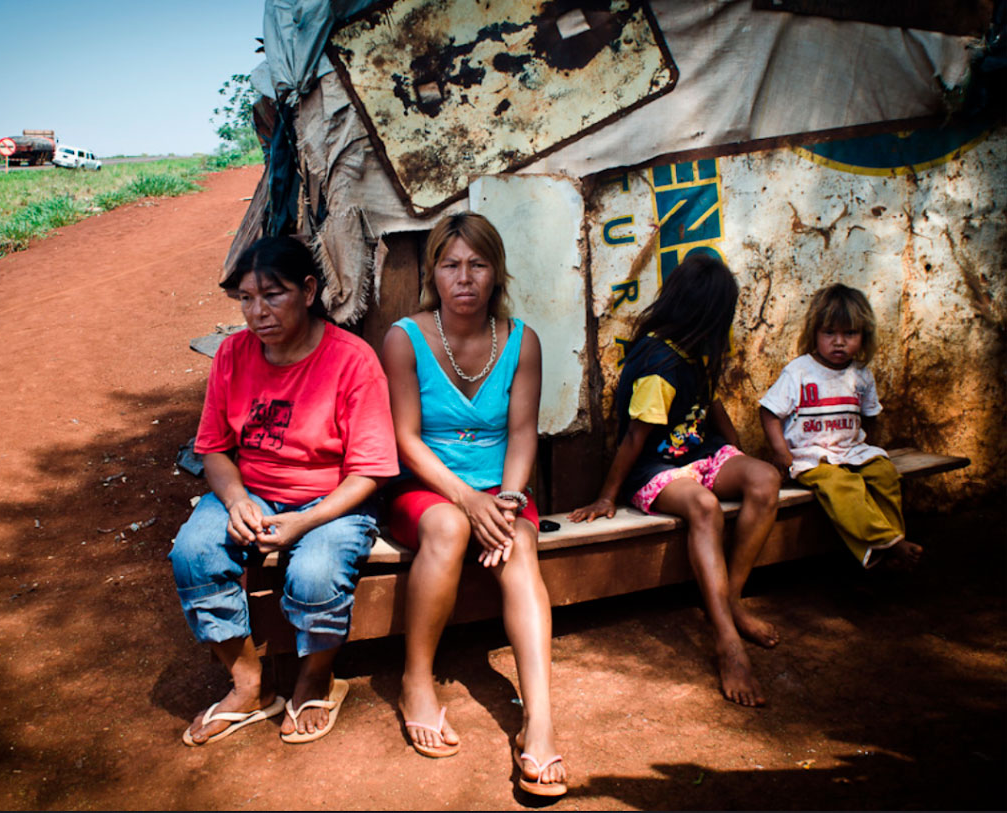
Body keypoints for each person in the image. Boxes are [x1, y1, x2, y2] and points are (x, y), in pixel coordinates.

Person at [168, 236, 399, 746]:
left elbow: (372, 471)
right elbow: (214, 449)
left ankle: (316, 675)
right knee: (194, 552)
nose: (257, 312)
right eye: (246, 299)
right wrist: (237, 501)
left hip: (335, 498)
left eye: (273, 295)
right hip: (254, 493)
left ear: (310, 290)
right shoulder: (232, 354)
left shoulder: (353, 361)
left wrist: (306, 520)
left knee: (315, 573)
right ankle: (249, 683)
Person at [382, 212, 566, 797]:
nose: (465, 278)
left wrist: (507, 505)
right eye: (451, 264)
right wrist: (465, 501)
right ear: (433, 273)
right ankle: (417, 680)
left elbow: (522, 433)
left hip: (500, 491)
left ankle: (539, 724)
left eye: (478, 265)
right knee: (446, 529)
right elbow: (406, 439)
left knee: (521, 552)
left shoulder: (521, 341)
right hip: (428, 487)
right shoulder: (404, 338)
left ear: (496, 273)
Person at [568, 253, 782, 707]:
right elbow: (633, 439)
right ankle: (726, 640)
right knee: (704, 507)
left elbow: (714, 405)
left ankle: (732, 600)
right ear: (708, 314)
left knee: (763, 479)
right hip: (656, 470)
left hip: (697, 456)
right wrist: (607, 495)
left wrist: (737, 454)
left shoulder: (698, 350)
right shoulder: (659, 364)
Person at [759, 283, 921, 569]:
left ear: (864, 336)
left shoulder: (861, 374)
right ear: (815, 334)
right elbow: (769, 412)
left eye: (850, 333)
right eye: (829, 332)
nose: (839, 342)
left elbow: (871, 415)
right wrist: (780, 451)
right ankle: (890, 543)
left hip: (850, 451)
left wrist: (869, 446)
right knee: (843, 487)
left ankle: (889, 542)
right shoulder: (799, 371)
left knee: (885, 475)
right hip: (812, 458)